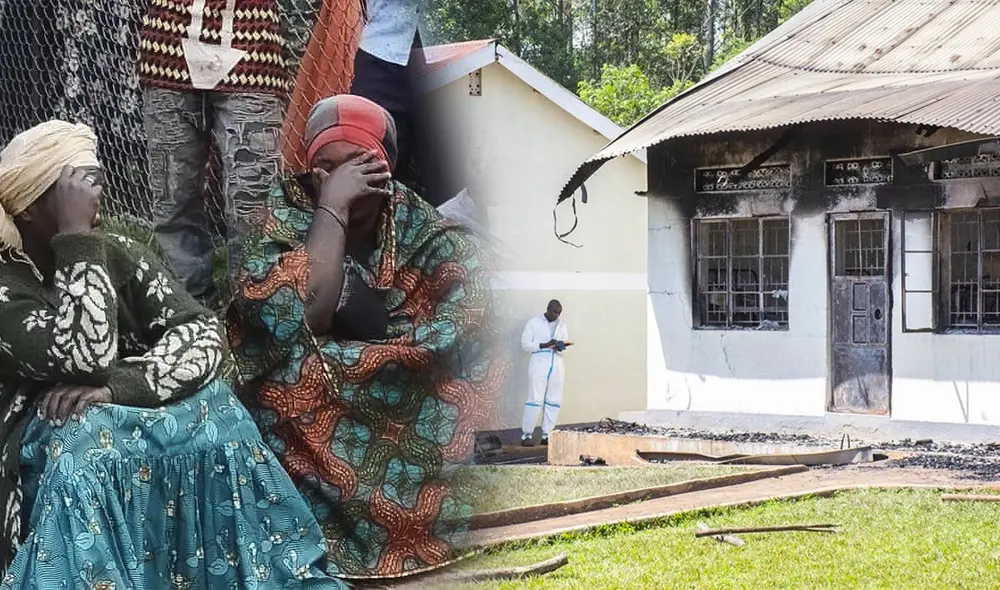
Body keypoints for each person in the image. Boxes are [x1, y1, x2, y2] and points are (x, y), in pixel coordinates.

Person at [0, 121, 344, 588]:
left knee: (220, 408)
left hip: (112, 409)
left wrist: (119, 387)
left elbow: (204, 334)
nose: (94, 194)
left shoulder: (115, 252)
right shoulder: (7, 286)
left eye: (95, 178)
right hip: (34, 447)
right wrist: (75, 238)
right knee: (82, 440)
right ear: (30, 206)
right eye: (76, 186)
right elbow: (84, 356)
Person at [227, 94, 505, 579]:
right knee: (286, 382)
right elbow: (299, 315)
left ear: (387, 170)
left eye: (359, 166)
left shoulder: (435, 237)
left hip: (409, 390)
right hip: (316, 401)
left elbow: (465, 326)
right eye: (327, 170)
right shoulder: (286, 220)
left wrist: (368, 354)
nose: (344, 181)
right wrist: (331, 208)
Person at [138, 0, 289, 310]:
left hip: (252, 45)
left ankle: (254, 316)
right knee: (173, 196)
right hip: (169, 45)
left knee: (254, 203)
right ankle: (188, 313)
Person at [519, 300, 570, 447]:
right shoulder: (534, 323)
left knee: (554, 400)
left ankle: (547, 435)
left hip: (557, 365)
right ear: (547, 309)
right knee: (535, 399)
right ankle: (526, 435)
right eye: (554, 312)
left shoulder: (562, 325)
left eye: (559, 312)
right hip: (539, 363)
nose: (557, 315)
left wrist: (561, 347)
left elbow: (566, 346)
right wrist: (544, 345)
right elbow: (525, 344)